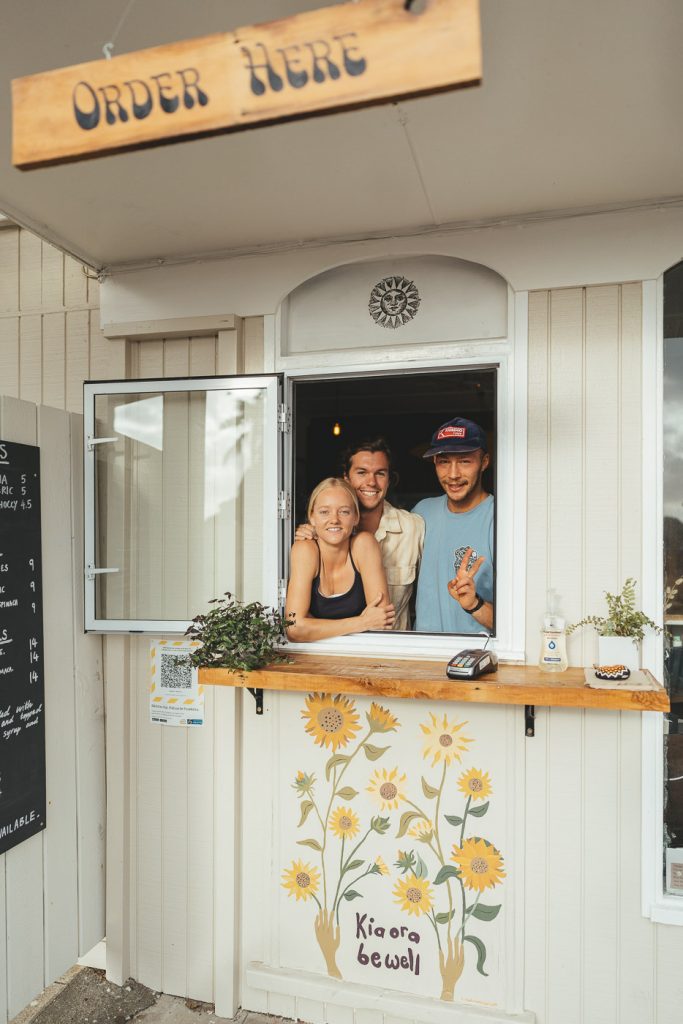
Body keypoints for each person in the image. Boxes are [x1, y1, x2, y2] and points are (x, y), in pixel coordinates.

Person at [295, 440, 424, 630]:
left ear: (389, 480)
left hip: (391, 647)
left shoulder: (413, 527)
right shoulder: (318, 536)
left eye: (380, 473)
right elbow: (295, 624)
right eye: (361, 472)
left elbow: (430, 594)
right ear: (346, 478)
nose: (371, 482)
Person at [286, 477, 395, 642]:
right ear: (312, 517)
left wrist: (313, 626)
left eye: (344, 511)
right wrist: (362, 622)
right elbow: (294, 628)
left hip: (363, 652)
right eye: (324, 512)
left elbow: (381, 621)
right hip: (312, 655)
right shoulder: (305, 551)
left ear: (356, 517)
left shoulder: (364, 545)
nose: (334, 519)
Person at [413, 417, 494, 634]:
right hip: (423, 655)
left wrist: (474, 604)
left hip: (476, 658)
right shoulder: (422, 513)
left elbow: (518, 625)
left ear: (484, 462)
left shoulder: (500, 519)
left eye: (465, 461)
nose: (453, 474)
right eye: (444, 461)